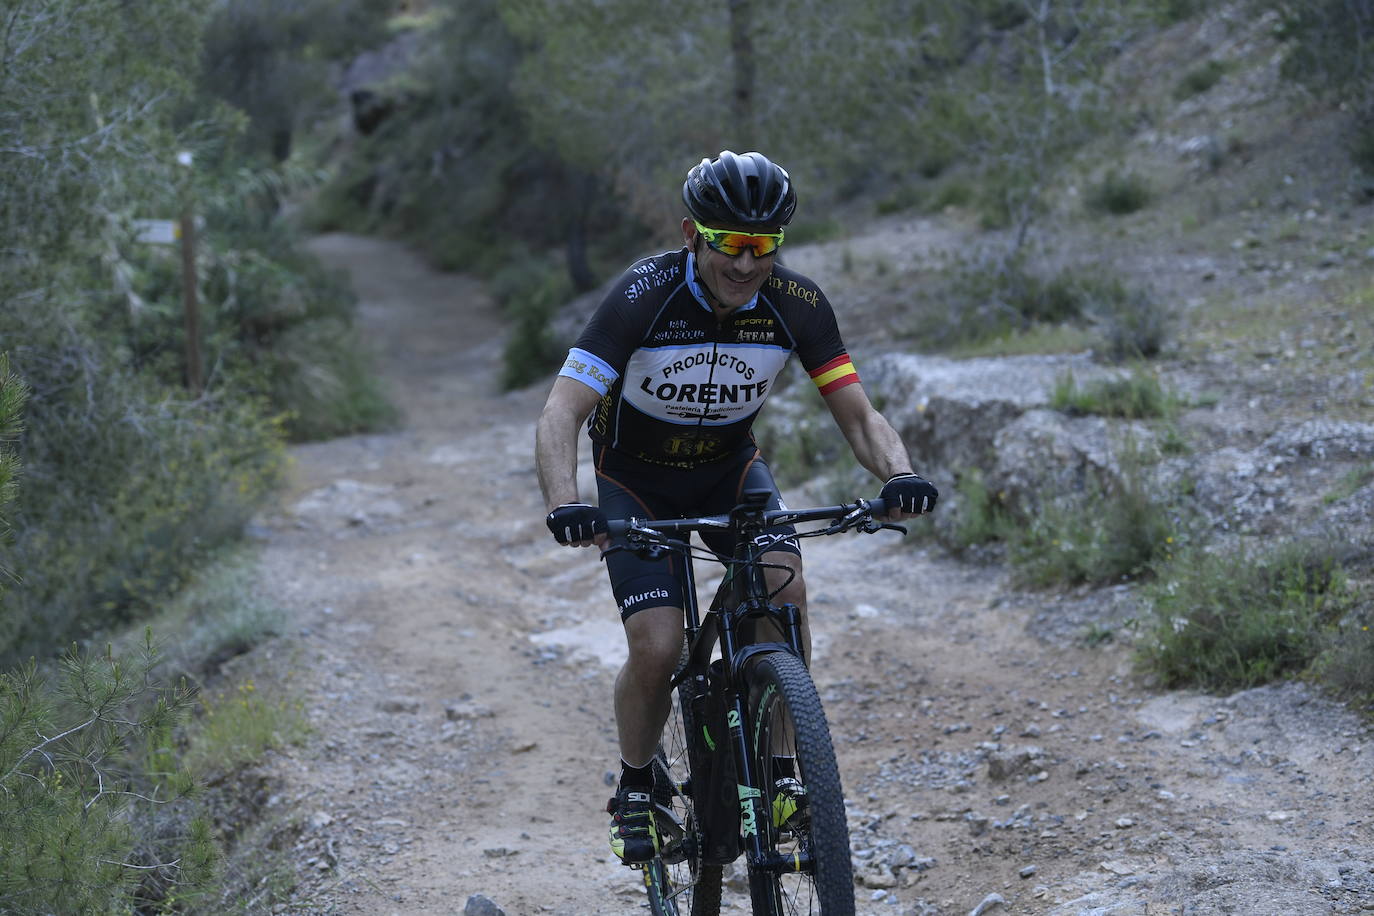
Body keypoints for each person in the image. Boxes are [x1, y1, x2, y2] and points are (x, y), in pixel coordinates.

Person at [535, 150, 937, 865]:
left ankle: (782, 773)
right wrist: (567, 505)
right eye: (731, 244)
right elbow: (561, 412)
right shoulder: (643, 295)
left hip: (730, 474)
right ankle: (636, 788)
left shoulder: (798, 303)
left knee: (786, 591)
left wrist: (900, 474)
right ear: (694, 234)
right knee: (657, 646)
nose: (747, 263)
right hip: (635, 483)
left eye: (764, 246)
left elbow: (859, 417)